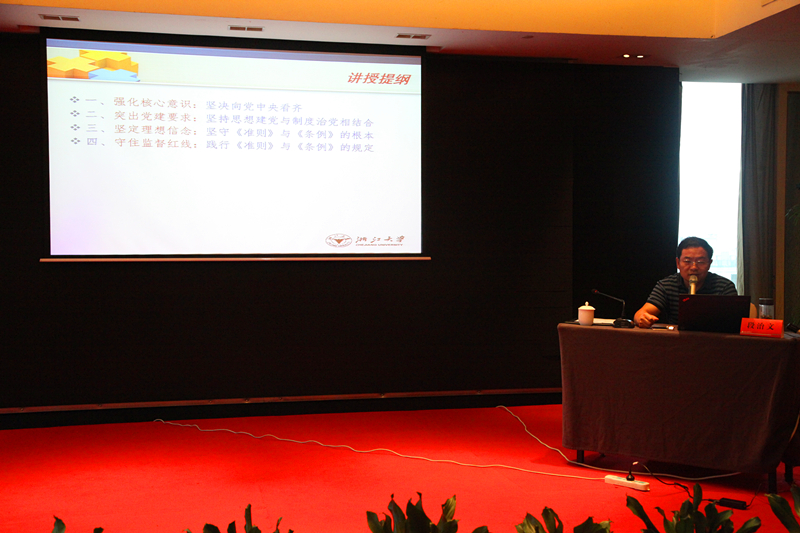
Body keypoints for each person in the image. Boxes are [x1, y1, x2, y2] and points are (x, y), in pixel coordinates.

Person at [634, 236, 737, 328]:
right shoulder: (666, 285)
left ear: (709, 264)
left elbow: (735, 320)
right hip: (677, 339)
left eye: (700, 262)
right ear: (678, 263)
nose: (694, 267)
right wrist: (642, 318)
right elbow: (642, 313)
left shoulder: (724, 287)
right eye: (687, 261)